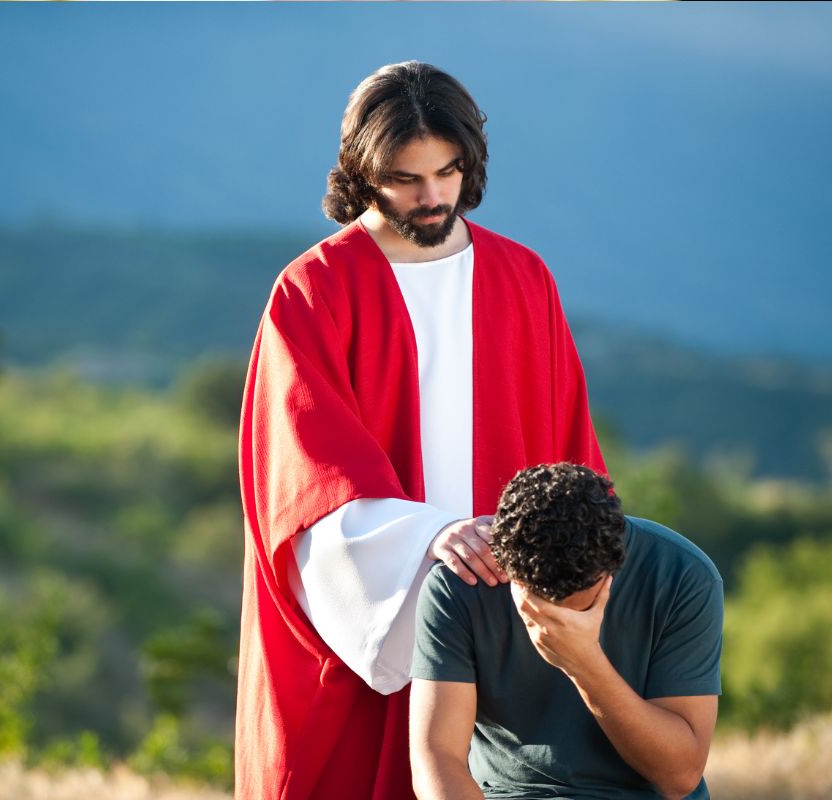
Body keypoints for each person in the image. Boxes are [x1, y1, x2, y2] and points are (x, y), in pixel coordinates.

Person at [235, 61, 607, 799]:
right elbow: (304, 487)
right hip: (369, 635)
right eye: (406, 179)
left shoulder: (522, 277)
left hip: (512, 623)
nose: (433, 197)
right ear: (362, 172)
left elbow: (573, 454)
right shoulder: (314, 291)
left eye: (448, 172)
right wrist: (428, 537)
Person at [410, 463, 723, 800]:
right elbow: (437, 758)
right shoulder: (459, 584)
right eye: (539, 604)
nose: (557, 622)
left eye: (578, 608)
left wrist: (584, 662)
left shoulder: (683, 575)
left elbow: (679, 777)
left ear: (611, 569)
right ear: (507, 567)